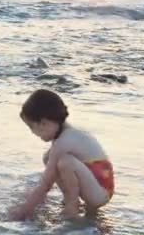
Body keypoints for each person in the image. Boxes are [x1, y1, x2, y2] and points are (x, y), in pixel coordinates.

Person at [7, 89, 114, 221]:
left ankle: (72, 206)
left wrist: (24, 210)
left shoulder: (63, 142)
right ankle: (71, 200)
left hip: (99, 194)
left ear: (43, 123)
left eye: (31, 127)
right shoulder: (69, 133)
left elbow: (46, 183)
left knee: (65, 162)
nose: (33, 133)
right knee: (49, 157)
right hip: (98, 186)